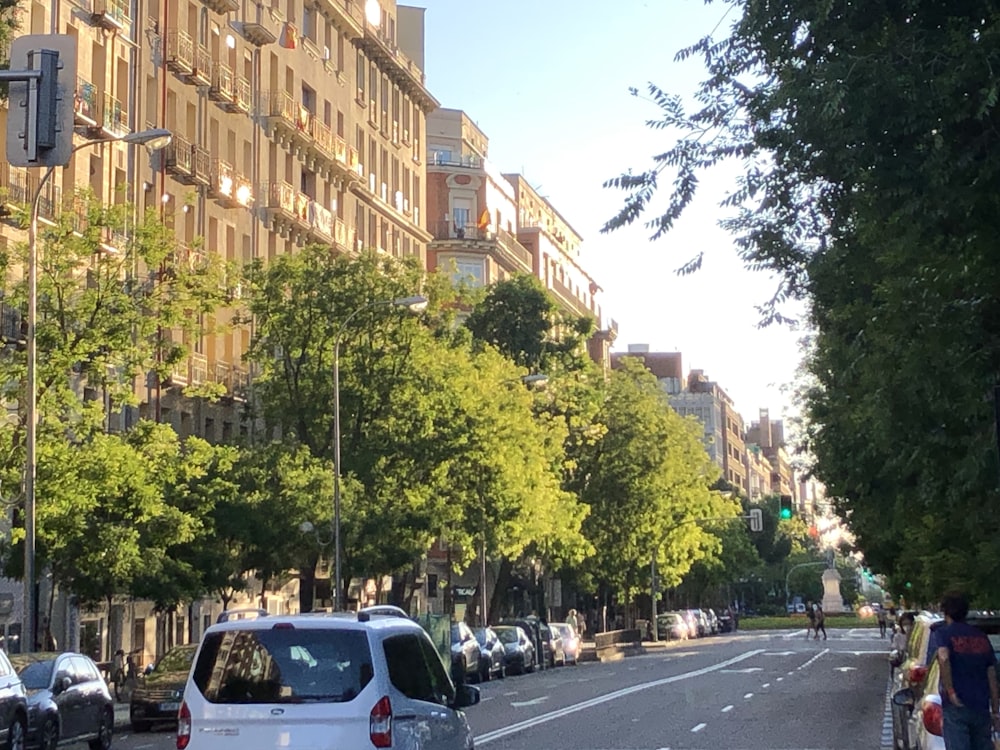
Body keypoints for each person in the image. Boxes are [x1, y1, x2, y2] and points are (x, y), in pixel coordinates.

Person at [934, 591, 1000, 750]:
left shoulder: (944, 633)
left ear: (946, 612)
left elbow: (943, 658)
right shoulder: (980, 637)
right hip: (981, 705)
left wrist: (950, 691)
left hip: (956, 706)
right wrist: (996, 710)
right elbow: (991, 674)